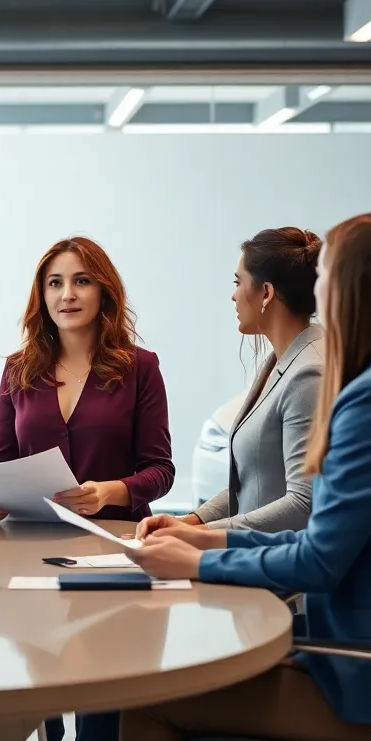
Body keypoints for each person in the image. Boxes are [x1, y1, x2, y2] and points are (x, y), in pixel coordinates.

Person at [121, 212, 371, 741]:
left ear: (346, 288)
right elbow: (326, 536)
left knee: (144, 701)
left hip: (370, 686)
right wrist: (203, 535)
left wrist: (198, 561)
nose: (316, 293)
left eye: (324, 279)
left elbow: (320, 557)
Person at [0, 236, 175, 741]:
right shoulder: (18, 369)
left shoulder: (140, 368)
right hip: (32, 554)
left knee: (102, 698)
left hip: (111, 551)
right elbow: (0, 460)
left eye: (81, 280)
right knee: (42, 686)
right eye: (55, 283)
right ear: (41, 296)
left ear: (104, 291)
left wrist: (110, 491)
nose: (67, 294)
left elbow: (160, 470)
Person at [138, 227, 322, 538]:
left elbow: (303, 502)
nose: (233, 294)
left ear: (266, 293)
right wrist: (190, 521)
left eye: (238, 283)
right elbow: (250, 482)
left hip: (278, 572)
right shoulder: (281, 359)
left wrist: (203, 535)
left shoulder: (309, 373)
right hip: (252, 558)